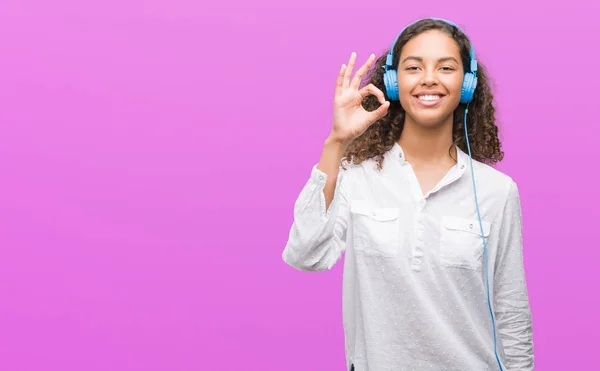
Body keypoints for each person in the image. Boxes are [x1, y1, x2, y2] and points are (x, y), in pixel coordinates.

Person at [281, 18, 534, 371]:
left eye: (446, 67)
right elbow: (305, 254)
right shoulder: (357, 176)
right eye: (413, 67)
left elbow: (510, 307)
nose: (429, 78)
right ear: (393, 82)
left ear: (467, 83)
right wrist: (337, 142)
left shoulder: (497, 191)